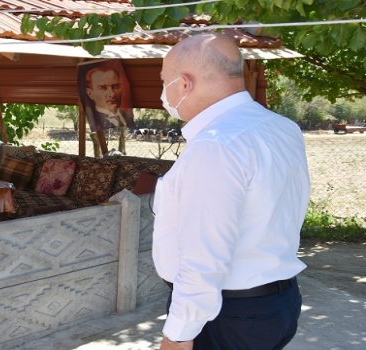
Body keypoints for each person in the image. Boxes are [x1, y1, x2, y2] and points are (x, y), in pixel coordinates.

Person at [152, 33, 310, 350]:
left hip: (228, 315)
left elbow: (203, 259)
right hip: (276, 303)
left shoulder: (215, 145)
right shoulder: (281, 127)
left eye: (164, 81)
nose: (163, 93)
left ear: (184, 84)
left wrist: (178, 335)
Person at [84, 66, 133, 132]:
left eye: (115, 87)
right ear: (90, 93)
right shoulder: (93, 121)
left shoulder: (128, 117)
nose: (112, 94)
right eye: (103, 88)